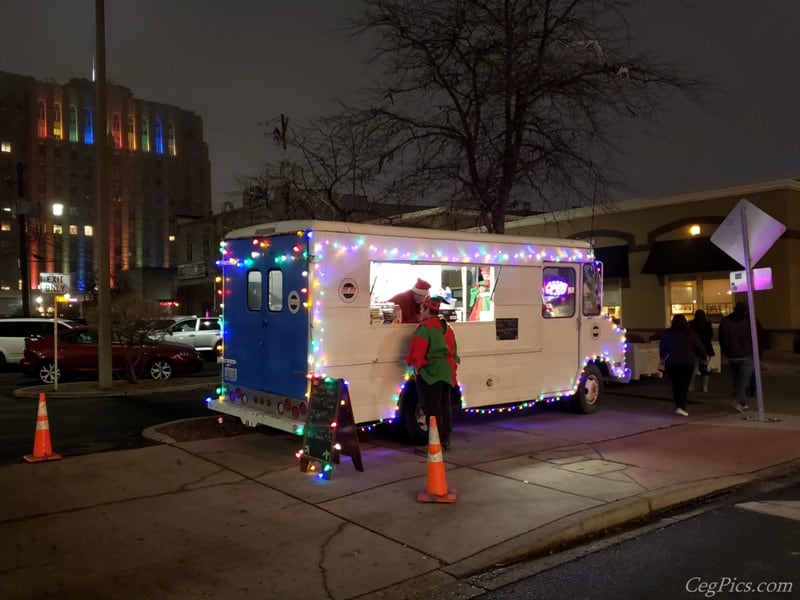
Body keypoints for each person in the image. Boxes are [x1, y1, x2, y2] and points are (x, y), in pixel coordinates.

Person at [405, 295, 460, 450]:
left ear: (427, 309)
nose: (420, 312)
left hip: (431, 374)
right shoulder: (447, 328)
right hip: (447, 371)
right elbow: (454, 350)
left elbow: (417, 354)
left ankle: (435, 443)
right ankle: (445, 440)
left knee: (432, 409)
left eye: (422, 309)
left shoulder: (425, 328)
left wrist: (417, 368)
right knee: (445, 406)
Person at [659, 314, 708, 417]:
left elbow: (663, 347)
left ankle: (678, 405)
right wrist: (704, 356)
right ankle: (681, 406)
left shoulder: (668, 333)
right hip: (687, 362)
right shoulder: (690, 333)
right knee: (684, 385)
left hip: (672, 362)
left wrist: (663, 358)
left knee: (675, 385)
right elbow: (698, 345)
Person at [718, 301, 755, 412]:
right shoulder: (748, 321)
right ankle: (738, 401)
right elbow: (756, 334)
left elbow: (721, 338)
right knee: (744, 380)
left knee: (737, 378)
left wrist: (726, 351)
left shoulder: (725, 321)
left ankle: (741, 402)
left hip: (732, 355)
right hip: (746, 353)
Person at [689, 309, 715, 392]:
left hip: (694, 349)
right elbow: (710, 336)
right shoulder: (707, 325)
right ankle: (704, 387)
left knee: (693, 369)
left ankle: (690, 386)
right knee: (704, 368)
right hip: (706, 349)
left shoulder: (691, 324)